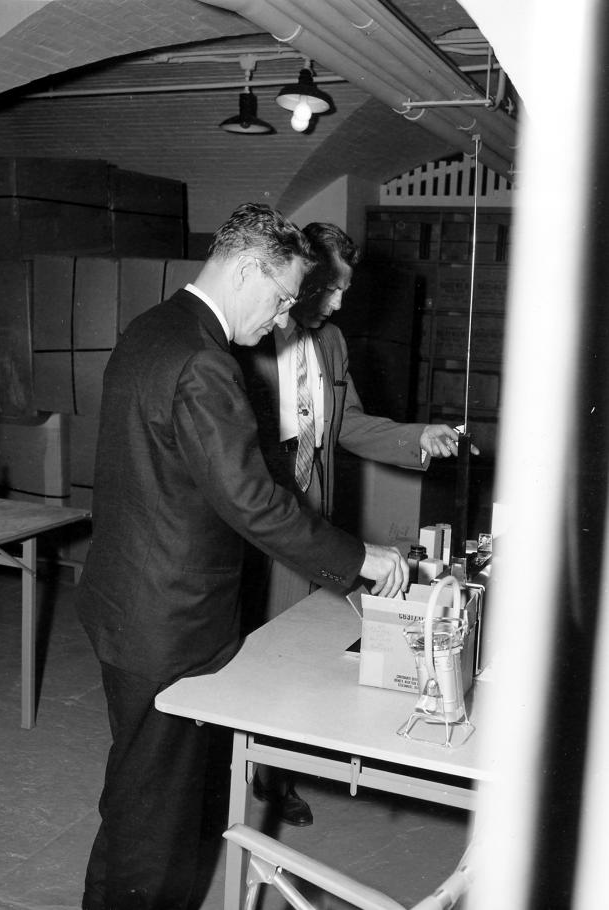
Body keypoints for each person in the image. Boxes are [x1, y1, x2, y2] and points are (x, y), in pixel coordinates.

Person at [75, 203, 411, 910]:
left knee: (137, 791)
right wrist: (361, 561)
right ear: (245, 268)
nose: (285, 317)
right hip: (168, 617)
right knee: (160, 818)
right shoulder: (203, 359)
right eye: (284, 296)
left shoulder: (152, 328)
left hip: (127, 599)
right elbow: (253, 500)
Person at [237, 221, 476, 826]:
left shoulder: (333, 342)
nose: (341, 303)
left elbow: (345, 424)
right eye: (332, 289)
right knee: (254, 646)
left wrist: (415, 435)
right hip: (258, 515)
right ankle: (253, 761)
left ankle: (276, 769)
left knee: (300, 641)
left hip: (313, 511)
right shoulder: (248, 337)